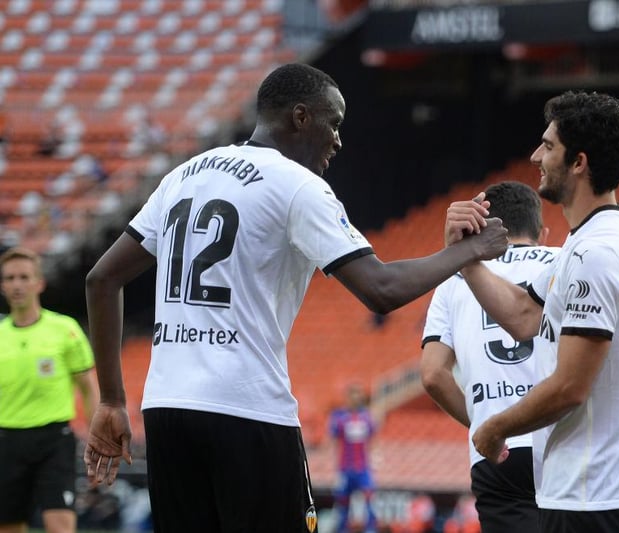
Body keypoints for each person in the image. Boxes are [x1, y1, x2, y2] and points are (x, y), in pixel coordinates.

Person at [82, 62, 508, 533]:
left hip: (165, 412)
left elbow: (101, 280)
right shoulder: (296, 185)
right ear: (301, 117)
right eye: (335, 123)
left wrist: (111, 400)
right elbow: (382, 289)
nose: (338, 140)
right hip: (246, 410)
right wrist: (472, 250)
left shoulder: (184, 175)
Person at [445, 90, 619, 533]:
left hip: (594, 493)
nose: (535, 156)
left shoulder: (595, 253)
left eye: (548, 146)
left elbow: (569, 387)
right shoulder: (618, 234)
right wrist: (467, 262)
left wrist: (495, 427)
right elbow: (529, 317)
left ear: (579, 163)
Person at [421, 181, 559, 533]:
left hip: (499, 452)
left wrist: (486, 425)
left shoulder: (453, 278)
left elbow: (434, 375)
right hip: (563, 438)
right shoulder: (564, 261)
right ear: (542, 232)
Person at [0, 246, 98, 533]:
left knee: (59, 524)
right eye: (10, 278)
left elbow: (89, 389)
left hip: (53, 439)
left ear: (39, 282)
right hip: (6, 440)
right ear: (3, 286)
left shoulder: (64, 329)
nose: (17, 285)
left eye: (23, 277)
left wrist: (96, 442)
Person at [329, 382, 379, 533]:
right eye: (353, 395)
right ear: (347, 397)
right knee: (343, 503)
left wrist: (375, 458)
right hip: (345, 468)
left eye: (359, 395)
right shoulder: (339, 417)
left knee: (370, 499)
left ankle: (371, 529)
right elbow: (333, 440)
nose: (356, 398)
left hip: (363, 468)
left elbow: (373, 439)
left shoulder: (367, 418)